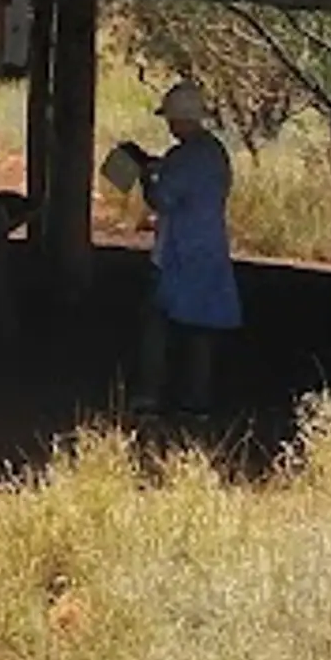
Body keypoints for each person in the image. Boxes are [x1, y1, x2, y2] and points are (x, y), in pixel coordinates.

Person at [122, 78, 239, 422]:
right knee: (200, 330)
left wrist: (145, 174)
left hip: (176, 252)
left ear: (179, 119)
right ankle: (196, 402)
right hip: (210, 249)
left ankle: (148, 398)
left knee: (156, 325)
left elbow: (162, 200)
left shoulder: (182, 157)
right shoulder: (215, 152)